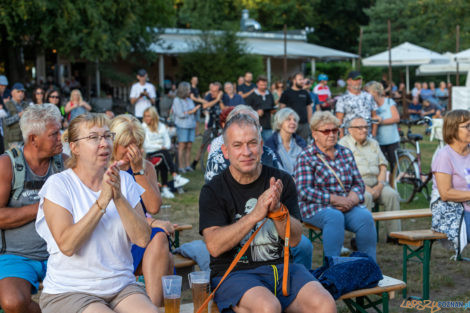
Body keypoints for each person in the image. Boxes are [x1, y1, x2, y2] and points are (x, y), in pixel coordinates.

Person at [199, 113, 336, 313]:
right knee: (268, 307)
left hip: (282, 269)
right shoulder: (213, 190)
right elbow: (214, 246)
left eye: (252, 143)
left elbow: (296, 239)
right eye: (237, 145)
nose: (246, 152)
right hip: (235, 274)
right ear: (226, 151)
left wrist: (279, 211)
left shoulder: (282, 181)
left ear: (262, 146)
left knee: (325, 304)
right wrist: (255, 215)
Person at [36, 113, 159, 313]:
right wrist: (102, 202)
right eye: (94, 138)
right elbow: (67, 245)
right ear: (74, 147)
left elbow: (143, 239)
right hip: (70, 291)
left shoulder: (125, 182)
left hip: (120, 286)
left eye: (107, 136)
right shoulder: (59, 185)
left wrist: (118, 197)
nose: (104, 143)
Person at [0, 104, 65, 313]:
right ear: (34, 140)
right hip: (16, 255)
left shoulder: (63, 163)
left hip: (60, 254)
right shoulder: (7, 165)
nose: (61, 137)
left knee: (92, 291)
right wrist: (43, 207)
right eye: (54, 134)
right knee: (12, 302)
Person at [110, 114, 176, 306]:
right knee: (163, 248)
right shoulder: (105, 168)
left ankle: (151, 307)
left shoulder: (145, 166)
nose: (132, 151)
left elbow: (154, 206)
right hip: (119, 234)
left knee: (159, 237)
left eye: (136, 145)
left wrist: (138, 171)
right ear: (113, 142)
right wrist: (154, 223)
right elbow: (116, 213)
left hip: (143, 236)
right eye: (126, 145)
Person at [295, 111, 377, 261]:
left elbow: (358, 183)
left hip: (346, 204)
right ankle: (333, 267)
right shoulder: (306, 156)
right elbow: (303, 191)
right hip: (314, 206)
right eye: (326, 131)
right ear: (315, 134)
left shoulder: (345, 152)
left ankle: (369, 265)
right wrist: (334, 199)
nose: (331, 134)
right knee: (334, 216)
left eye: (335, 130)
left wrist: (353, 198)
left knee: (365, 217)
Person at [339, 117, 401, 240]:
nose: (364, 130)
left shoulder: (373, 143)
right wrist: (366, 188)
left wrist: (380, 185)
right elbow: (346, 173)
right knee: (365, 197)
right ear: (350, 130)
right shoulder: (343, 144)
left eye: (366, 127)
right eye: (359, 127)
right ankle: (363, 237)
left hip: (377, 183)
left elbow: (383, 166)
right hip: (355, 185)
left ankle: (394, 235)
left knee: (392, 195)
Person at [431, 110, 470, 255]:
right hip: (452, 210)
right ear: (453, 129)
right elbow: (445, 193)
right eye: (467, 126)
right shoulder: (444, 156)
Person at [142, 107, 189, 199]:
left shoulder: (161, 126)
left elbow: (167, 142)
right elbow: (146, 146)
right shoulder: (143, 127)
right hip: (150, 154)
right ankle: (175, 177)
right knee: (164, 154)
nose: (146, 118)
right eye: (145, 116)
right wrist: (159, 146)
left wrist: (161, 146)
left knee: (163, 158)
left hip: (162, 153)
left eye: (148, 116)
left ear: (154, 116)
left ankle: (165, 188)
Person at [365, 81, 400, 171]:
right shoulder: (368, 105)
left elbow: (396, 118)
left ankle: (394, 183)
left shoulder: (389, 102)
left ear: (375, 92)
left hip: (392, 140)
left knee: (394, 165)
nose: (365, 94)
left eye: (367, 91)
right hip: (377, 141)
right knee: (379, 166)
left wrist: (380, 121)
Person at [335, 71, 379, 137]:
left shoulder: (369, 97)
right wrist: (342, 138)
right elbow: (339, 120)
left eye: (360, 79)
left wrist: (373, 135)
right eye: (355, 80)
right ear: (348, 81)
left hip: (367, 136)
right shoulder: (342, 99)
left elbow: (375, 116)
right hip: (350, 138)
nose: (358, 82)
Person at [191, 82, 223, 170]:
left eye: (215, 91)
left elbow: (225, 109)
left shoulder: (224, 98)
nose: (212, 93)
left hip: (221, 126)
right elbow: (205, 105)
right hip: (210, 125)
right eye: (211, 90)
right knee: (203, 145)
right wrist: (216, 100)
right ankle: (194, 164)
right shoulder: (209, 97)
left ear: (220, 92)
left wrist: (220, 100)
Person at [265, 108, 307, 175]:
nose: (293, 122)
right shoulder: (270, 144)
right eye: (288, 119)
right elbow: (271, 169)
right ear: (280, 123)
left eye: (295, 120)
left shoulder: (301, 144)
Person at [172, 82, 201, 173]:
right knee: (182, 146)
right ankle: (181, 166)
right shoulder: (177, 100)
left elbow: (191, 112)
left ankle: (187, 165)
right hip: (182, 126)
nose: (190, 91)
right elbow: (180, 114)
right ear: (184, 90)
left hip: (191, 125)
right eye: (188, 89)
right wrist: (192, 111)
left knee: (189, 146)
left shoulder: (189, 100)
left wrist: (195, 111)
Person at [279, 72, 313, 141]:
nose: (302, 82)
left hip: (304, 124)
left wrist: (310, 123)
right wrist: (283, 122)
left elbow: (309, 108)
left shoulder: (305, 93)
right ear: (294, 80)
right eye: (300, 80)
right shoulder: (286, 93)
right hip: (290, 124)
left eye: (303, 80)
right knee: (289, 143)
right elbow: (282, 108)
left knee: (303, 145)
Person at [245, 75, 276, 141]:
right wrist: (256, 112)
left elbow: (273, 107)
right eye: (261, 85)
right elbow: (245, 110)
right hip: (255, 126)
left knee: (269, 146)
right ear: (257, 84)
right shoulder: (252, 96)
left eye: (265, 85)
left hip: (268, 126)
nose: (263, 87)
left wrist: (273, 111)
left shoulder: (270, 94)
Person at [3, 83, 29, 148]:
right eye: (18, 91)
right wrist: (19, 115)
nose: (21, 94)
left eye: (22, 92)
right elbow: (6, 121)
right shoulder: (7, 105)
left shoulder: (26, 105)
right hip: (12, 141)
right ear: (12, 93)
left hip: (25, 139)